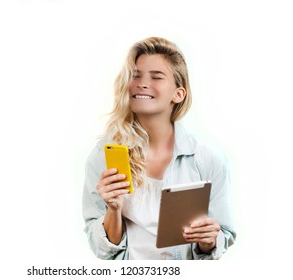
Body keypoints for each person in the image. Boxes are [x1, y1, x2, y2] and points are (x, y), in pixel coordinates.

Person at [82, 37, 236, 260]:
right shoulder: (104, 156)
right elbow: (104, 251)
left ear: (178, 94)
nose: (141, 83)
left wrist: (208, 239)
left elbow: (223, 237)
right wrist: (113, 209)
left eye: (156, 76)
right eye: (135, 75)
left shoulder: (208, 159)